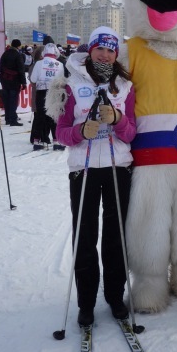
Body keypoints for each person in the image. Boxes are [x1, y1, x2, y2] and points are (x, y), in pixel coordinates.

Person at [49, 26, 136, 327]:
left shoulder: (125, 85)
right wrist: (79, 132)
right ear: (91, 49)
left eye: (111, 50)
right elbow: (61, 132)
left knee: (116, 236)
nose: (105, 55)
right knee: (85, 236)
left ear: (116, 54)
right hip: (83, 169)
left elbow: (131, 132)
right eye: (100, 48)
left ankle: (115, 296)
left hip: (118, 167)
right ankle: (86, 301)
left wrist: (119, 119)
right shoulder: (70, 83)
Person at [29, 43, 65, 151]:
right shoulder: (60, 64)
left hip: (41, 92)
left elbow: (33, 79)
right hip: (55, 92)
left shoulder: (39, 63)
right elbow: (62, 81)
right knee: (54, 116)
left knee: (39, 116)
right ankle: (56, 141)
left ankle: (37, 141)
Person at [0, 39, 27, 126]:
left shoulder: (4, 54)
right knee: (13, 101)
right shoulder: (18, 55)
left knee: (6, 100)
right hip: (15, 81)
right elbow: (21, 70)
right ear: (18, 46)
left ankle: (7, 118)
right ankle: (13, 120)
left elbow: (1, 68)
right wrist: (24, 82)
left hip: (5, 81)